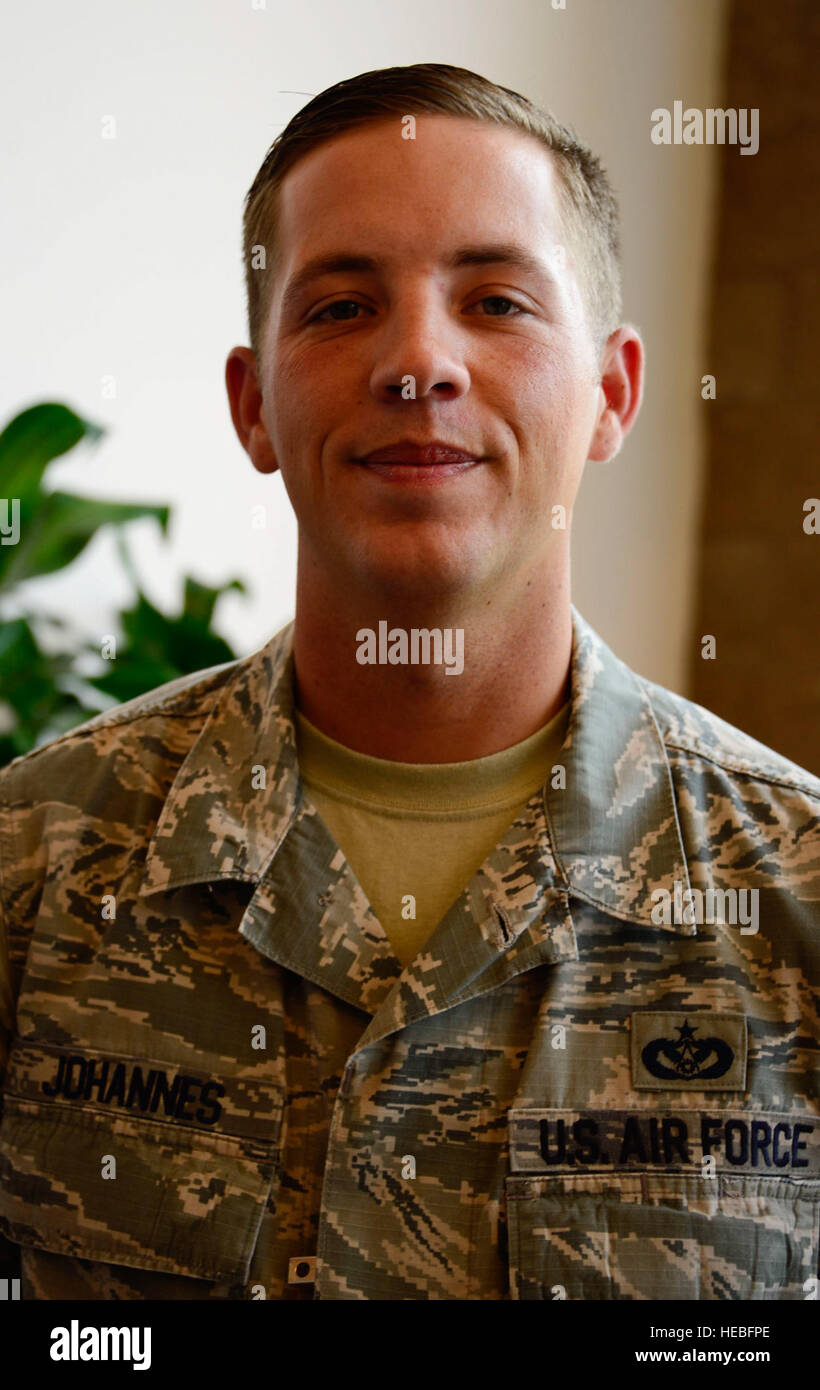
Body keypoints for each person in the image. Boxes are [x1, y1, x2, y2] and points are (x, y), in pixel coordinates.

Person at [0, 62, 817, 1302]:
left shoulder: (794, 898)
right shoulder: (37, 861)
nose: (417, 361)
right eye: (338, 308)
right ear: (253, 405)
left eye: (495, 300)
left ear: (611, 391)